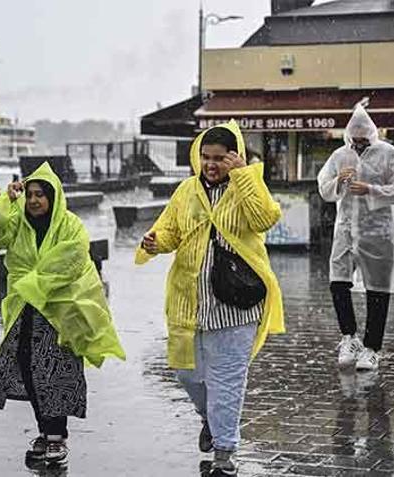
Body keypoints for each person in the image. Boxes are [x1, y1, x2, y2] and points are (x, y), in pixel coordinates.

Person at [135, 120, 284, 477]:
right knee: (186, 375)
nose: (212, 165)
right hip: (190, 304)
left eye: (219, 158)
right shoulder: (187, 190)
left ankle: (224, 453)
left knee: (227, 382)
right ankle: (212, 420)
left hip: (236, 306)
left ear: (235, 157)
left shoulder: (247, 184)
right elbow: (170, 229)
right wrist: (156, 242)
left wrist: (244, 175)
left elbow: (265, 219)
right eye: (206, 157)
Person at [0, 162, 126, 469]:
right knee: (27, 367)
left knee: (55, 372)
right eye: (30, 194)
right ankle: (46, 431)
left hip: (59, 310)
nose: (34, 200)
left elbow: (72, 259)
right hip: (23, 307)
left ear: (53, 197)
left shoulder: (70, 225)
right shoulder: (17, 221)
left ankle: (56, 437)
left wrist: (35, 283)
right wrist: (6, 201)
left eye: (40, 195)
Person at [317, 104, 394, 372]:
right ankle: (350, 336)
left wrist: (370, 189)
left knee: (377, 290)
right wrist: (337, 182)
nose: (358, 146)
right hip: (345, 228)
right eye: (354, 141)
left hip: (378, 231)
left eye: (362, 141)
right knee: (338, 282)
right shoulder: (339, 155)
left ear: (371, 137)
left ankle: (372, 348)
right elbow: (324, 187)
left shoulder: (390, 155)